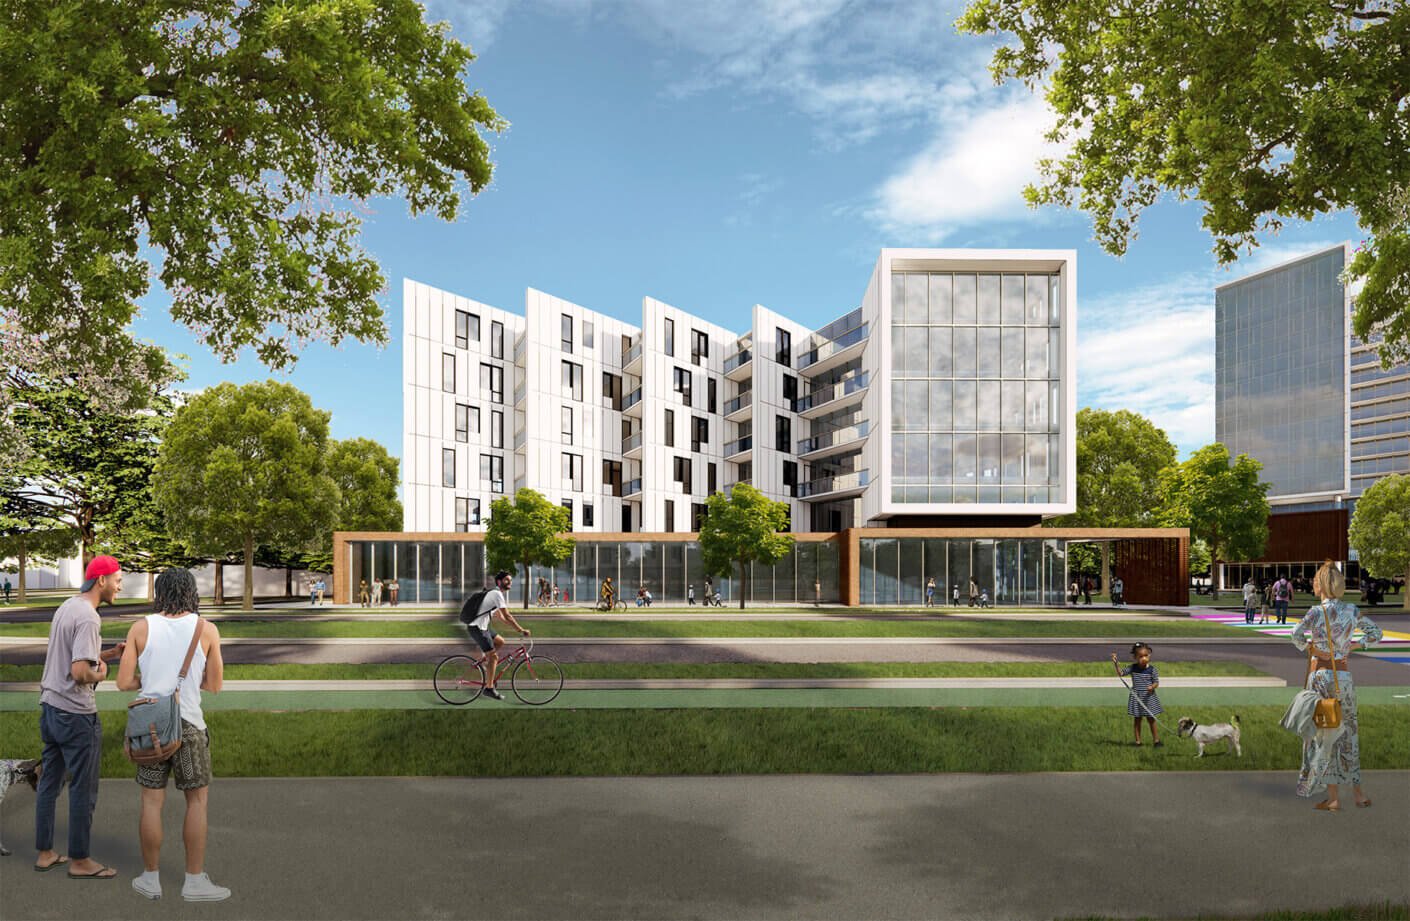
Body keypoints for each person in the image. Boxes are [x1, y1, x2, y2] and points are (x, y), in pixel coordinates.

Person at [115, 569, 231, 902]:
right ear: (192, 592)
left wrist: (150, 680)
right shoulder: (206, 629)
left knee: (151, 800)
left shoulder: (140, 627)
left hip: (149, 725)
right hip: (190, 724)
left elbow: (124, 682)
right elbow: (215, 685)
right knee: (196, 801)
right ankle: (194, 882)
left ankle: (150, 879)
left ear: (160, 591)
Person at [34, 555, 127, 879]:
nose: (120, 585)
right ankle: (80, 860)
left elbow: (72, 657)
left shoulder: (68, 607)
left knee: (49, 784)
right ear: (101, 580)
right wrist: (104, 671)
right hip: (76, 716)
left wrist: (106, 654)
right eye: (117, 579)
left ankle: (45, 853)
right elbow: (79, 671)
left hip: (50, 709)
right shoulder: (89, 617)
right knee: (82, 789)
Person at [1291, 562, 1382, 811]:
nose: (1312, 583)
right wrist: (1353, 646)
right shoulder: (1352, 610)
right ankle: (1359, 794)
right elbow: (1376, 633)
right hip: (1343, 679)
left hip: (1320, 677)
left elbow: (1295, 634)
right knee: (1347, 733)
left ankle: (1332, 799)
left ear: (1321, 584)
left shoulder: (1315, 612)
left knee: (1324, 734)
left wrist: (1312, 649)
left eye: (1314, 579)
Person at [464, 571, 531, 701]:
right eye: (507, 580)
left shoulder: (495, 594)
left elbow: (501, 617)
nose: (509, 582)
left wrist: (514, 628)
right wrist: (520, 629)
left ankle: (485, 662)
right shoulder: (497, 594)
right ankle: (489, 689)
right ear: (499, 582)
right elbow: (508, 616)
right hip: (477, 628)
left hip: (483, 627)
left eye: (510, 580)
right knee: (494, 657)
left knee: (500, 642)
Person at [1111, 642, 1162, 746]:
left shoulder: (1152, 670)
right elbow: (1121, 673)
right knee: (1137, 720)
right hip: (1137, 698)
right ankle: (1138, 742)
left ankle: (1156, 741)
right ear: (1135, 657)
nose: (1144, 658)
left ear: (1149, 655)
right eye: (1141, 656)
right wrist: (1116, 663)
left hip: (1148, 698)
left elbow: (1156, 682)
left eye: (1146, 656)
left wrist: (1152, 687)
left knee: (1151, 720)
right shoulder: (1133, 668)